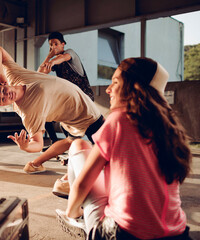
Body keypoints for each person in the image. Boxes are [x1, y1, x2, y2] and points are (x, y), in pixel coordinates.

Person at [56, 57, 192, 239]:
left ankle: (76, 219)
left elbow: (82, 184)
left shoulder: (119, 120)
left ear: (134, 87)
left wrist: (70, 212)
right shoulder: (170, 127)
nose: (108, 89)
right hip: (177, 233)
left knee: (78, 145)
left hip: (123, 234)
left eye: (115, 82)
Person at [0, 46, 104, 179]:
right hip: (86, 114)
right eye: (2, 99)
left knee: (70, 140)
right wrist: (26, 147)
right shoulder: (28, 112)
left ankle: (35, 164)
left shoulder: (14, 75)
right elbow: (38, 143)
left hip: (75, 108)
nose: (6, 95)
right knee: (105, 149)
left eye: (2, 90)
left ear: (3, 83)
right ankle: (72, 178)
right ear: (3, 104)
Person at [38, 32, 95, 152]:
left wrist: (52, 61)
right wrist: (48, 57)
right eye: (51, 45)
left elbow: (62, 58)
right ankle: (56, 144)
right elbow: (39, 73)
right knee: (46, 115)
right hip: (70, 98)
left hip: (84, 96)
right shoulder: (53, 61)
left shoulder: (70, 53)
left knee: (87, 125)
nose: (53, 47)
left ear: (63, 44)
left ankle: (96, 146)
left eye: (56, 44)